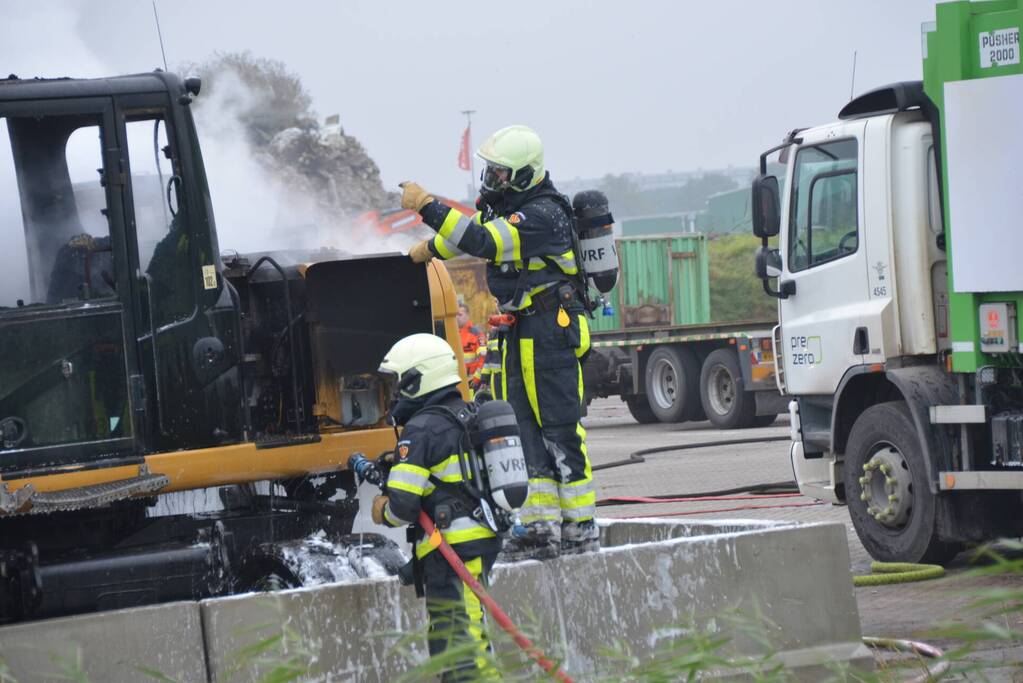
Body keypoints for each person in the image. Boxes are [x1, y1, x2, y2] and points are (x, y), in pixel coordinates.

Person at [399, 124, 597, 559]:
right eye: (491, 171)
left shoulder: (544, 215)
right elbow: (474, 234)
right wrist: (430, 249)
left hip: (551, 329)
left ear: (526, 174)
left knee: (559, 430)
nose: (493, 180)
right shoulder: (511, 209)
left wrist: (427, 206)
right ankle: (539, 528)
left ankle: (580, 528)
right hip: (522, 328)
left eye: (502, 173)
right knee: (524, 430)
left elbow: (484, 241)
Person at [370, 333, 501, 681]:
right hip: (476, 539)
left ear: (417, 379)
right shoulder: (466, 412)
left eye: (399, 383)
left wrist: (380, 509)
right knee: (459, 636)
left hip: (453, 551)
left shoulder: (421, 429)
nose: (395, 394)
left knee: (462, 645)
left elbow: (402, 507)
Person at [456, 303, 487, 391]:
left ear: (468, 316)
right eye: (455, 315)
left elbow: (483, 357)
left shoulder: (476, 334)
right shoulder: (452, 333)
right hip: (457, 380)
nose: (457, 317)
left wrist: (477, 377)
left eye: (460, 315)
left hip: (471, 381)